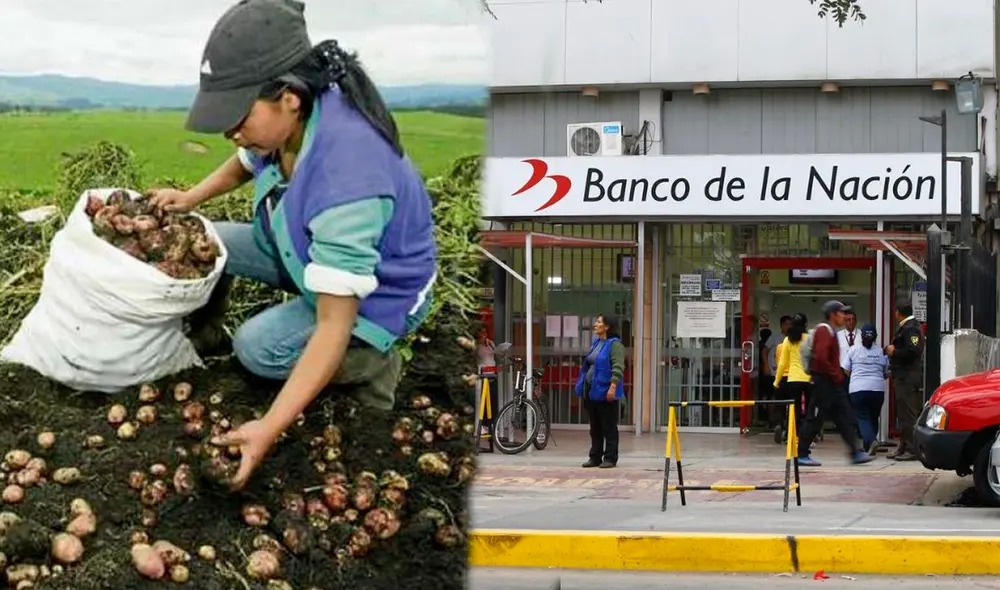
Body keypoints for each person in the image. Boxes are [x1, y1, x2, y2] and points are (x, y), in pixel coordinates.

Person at [147, 0, 437, 489]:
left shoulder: (349, 179)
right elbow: (245, 161)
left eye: (238, 117)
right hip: (300, 247)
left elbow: (332, 324)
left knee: (257, 349)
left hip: (376, 294)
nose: (231, 132)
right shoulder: (291, 117)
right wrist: (191, 197)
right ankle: (207, 333)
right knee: (207, 239)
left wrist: (268, 427)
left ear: (288, 98)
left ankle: (373, 361)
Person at [796, 301, 874, 467]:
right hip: (823, 382)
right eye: (841, 313)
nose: (844, 316)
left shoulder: (831, 331)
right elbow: (821, 357)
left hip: (832, 383)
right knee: (815, 418)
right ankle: (801, 453)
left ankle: (855, 452)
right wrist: (836, 374)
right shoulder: (824, 330)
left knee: (845, 417)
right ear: (832, 314)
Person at [575, 314, 625, 469]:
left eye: (599, 322)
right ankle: (595, 456)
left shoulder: (615, 345)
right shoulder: (596, 343)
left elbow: (618, 367)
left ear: (607, 326)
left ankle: (610, 457)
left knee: (608, 426)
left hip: (606, 390)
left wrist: (612, 387)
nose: (595, 324)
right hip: (592, 390)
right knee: (595, 426)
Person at [843, 323, 889, 456]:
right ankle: (868, 446)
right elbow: (886, 373)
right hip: (877, 390)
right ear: (876, 337)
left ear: (861, 336)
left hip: (858, 389)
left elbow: (846, 369)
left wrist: (856, 376)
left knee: (862, 417)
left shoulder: (853, 350)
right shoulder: (881, 351)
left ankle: (871, 440)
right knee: (873, 417)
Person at [887, 302, 925, 461]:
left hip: (907, 377)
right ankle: (903, 447)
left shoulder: (911, 328)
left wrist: (894, 351)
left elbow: (914, 351)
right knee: (903, 414)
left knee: (908, 414)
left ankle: (912, 449)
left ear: (898, 313)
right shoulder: (907, 327)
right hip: (903, 376)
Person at [773, 313, 812, 444]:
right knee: (808, 410)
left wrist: (777, 381)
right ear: (806, 325)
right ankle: (807, 437)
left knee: (794, 410)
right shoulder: (810, 339)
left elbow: (782, 363)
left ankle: (794, 437)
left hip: (793, 378)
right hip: (809, 379)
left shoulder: (788, 340)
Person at [760, 316, 791, 430]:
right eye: (786, 324)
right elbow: (764, 351)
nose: (788, 326)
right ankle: (772, 422)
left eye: (790, 324)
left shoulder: (793, 338)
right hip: (774, 372)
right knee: (773, 397)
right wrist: (766, 365)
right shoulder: (774, 337)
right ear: (781, 325)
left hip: (788, 374)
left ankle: (788, 424)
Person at [836, 309, 861, 378]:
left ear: (856, 321)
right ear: (844, 322)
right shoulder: (838, 336)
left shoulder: (862, 335)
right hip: (842, 372)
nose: (851, 322)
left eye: (853, 319)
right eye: (848, 320)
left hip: (858, 371)